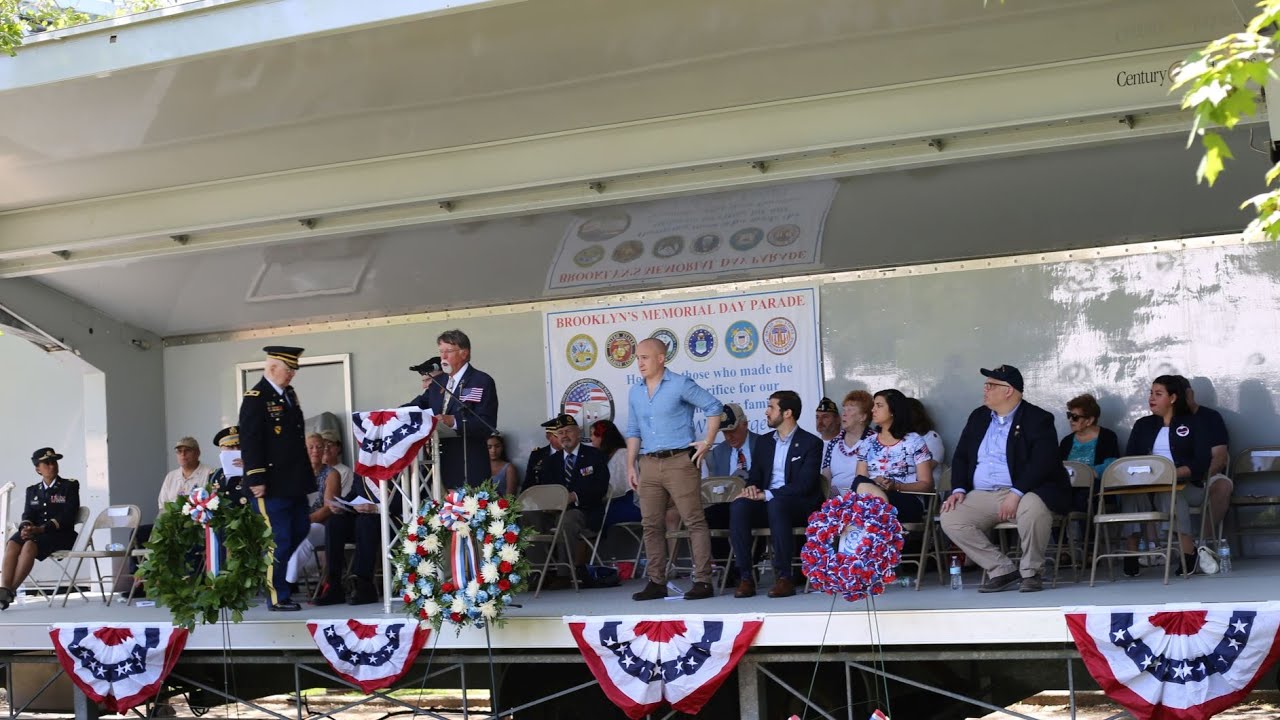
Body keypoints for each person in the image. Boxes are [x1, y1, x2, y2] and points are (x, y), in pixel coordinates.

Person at [940, 365, 1071, 594]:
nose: (985, 390)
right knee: (951, 517)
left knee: (1033, 510)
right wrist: (959, 489)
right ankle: (1002, 569)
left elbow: (1043, 462)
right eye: (985, 385)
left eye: (991, 385)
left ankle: (1031, 572)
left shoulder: (1038, 418)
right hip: (984, 493)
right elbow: (961, 456)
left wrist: (1016, 492)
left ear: (1009, 390)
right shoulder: (978, 416)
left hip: (1027, 490)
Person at [625, 338, 723, 602]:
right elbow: (633, 430)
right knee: (650, 525)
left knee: (693, 521)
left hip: (680, 460)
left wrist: (708, 442)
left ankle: (703, 580)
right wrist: (630, 465)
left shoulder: (680, 384)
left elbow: (715, 407)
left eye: (645, 357)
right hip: (648, 463)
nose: (640, 363)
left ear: (660, 359)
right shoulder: (635, 392)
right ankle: (656, 581)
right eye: (637, 358)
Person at [728, 390, 823, 599]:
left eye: (771, 407)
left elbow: (805, 485)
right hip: (769, 502)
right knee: (739, 506)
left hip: (797, 505)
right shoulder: (764, 442)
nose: (766, 412)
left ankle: (784, 577)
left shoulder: (811, 443)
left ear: (787, 413)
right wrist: (751, 488)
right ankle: (745, 577)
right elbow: (755, 476)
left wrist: (768, 494)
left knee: (777, 504)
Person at [239, 345, 313, 611]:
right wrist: (255, 477)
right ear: (272, 368)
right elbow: (250, 440)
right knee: (279, 539)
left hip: (293, 481)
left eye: (293, 369)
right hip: (269, 484)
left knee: (300, 529)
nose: (292, 374)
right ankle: (277, 596)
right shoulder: (256, 398)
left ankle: (273, 573)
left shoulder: (288, 395)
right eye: (288, 369)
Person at [1120, 375, 1218, 576]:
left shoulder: (1193, 423)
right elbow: (1130, 458)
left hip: (1188, 486)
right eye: (1151, 393)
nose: (1151, 398)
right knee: (1131, 495)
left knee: (1169, 493)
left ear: (1173, 398)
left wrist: (1172, 474)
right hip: (1148, 486)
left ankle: (1188, 552)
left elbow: (1201, 463)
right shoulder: (1142, 425)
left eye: (1158, 394)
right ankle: (1131, 553)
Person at [405, 330, 499, 488]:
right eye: (441, 351)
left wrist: (453, 421)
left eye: (448, 351)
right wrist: (390, 414)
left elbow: (486, 423)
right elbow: (418, 404)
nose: (443, 357)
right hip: (438, 462)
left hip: (469, 462)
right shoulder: (438, 382)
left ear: (464, 353)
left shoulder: (480, 380)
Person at [529, 414, 610, 586]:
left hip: (585, 511)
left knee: (567, 520)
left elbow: (601, 486)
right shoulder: (550, 462)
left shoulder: (594, 456)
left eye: (568, 431)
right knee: (530, 519)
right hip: (553, 510)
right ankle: (539, 573)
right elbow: (545, 487)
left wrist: (575, 496)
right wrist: (550, 503)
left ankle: (564, 575)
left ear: (578, 433)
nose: (564, 435)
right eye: (560, 432)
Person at [0, 448, 81, 610]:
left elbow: (68, 515)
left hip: (61, 534)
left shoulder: (69, 485)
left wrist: (42, 529)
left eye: (54, 462)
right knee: (13, 543)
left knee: (29, 544)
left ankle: (11, 590)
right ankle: (3, 589)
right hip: (36, 532)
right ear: (38, 469)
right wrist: (25, 527)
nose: (52, 466)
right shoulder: (33, 490)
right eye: (47, 463)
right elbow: (28, 513)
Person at [853, 389, 935, 523]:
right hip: (870, 499)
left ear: (893, 411)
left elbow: (927, 485)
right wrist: (876, 483)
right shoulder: (867, 443)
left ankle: (877, 513)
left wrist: (896, 486)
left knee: (863, 504)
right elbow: (860, 481)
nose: (873, 410)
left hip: (906, 500)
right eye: (874, 405)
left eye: (879, 406)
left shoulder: (914, 441)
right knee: (860, 483)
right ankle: (878, 511)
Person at [1176, 376, 1234, 539]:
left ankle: (1203, 543)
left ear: (1189, 394)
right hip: (1170, 481)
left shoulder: (1210, 417)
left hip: (1201, 479)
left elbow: (1220, 457)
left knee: (1223, 485)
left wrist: (1200, 474)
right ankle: (1159, 546)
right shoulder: (1161, 421)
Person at [316, 473, 384, 606]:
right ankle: (334, 585)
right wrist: (341, 505)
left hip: (390, 520)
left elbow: (402, 502)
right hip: (364, 520)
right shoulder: (363, 468)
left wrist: (376, 508)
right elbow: (354, 496)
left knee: (365, 521)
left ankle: (364, 585)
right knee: (334, 523)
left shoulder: (398, 462)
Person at [286, 433, 339, 589]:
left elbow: (328, 508)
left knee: (306, 535)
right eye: (310, 447)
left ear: (324, 451)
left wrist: (301, 522)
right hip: (294, 523)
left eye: (319, 447)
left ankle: (287, 582)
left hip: (322, 526)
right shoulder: (294, 474)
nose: (315, 450)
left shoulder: (331, 474)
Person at [1057, 394, 1119, 512]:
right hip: (1068, 486)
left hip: (1095, 487)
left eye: (1075, 417)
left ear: (1089, 420)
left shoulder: (1107, 437)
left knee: (1082, 498)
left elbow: (1111, 463)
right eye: (1069, 415)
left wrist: (1087, 474)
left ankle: (1087, 531)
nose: (1070, 420)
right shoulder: (1067, 441)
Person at [821, 390, 873, 496]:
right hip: (834, 501)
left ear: (863, 417)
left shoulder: (874, 441)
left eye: (850, 410)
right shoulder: (833, 443)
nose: (844, 414)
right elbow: (826, 477)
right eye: (844, 409)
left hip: (864, 501)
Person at [592, 419, 641, 527]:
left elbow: (619, 488)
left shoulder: (623, 454)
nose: (591, 439)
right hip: (612, 503)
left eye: (593, 435)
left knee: (591, 517)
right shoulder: (603, 457)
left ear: (601, 436)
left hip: (627, 504)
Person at [157, 437, 214, 509]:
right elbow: (162, 505)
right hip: (173, 519)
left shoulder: (210, 474)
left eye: (187, 450)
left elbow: (213, 505)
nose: (183, 454)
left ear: (198, 453)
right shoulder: (171, 476)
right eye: (179, 451)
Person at [907, 397, 946, 485]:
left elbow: (926, 468)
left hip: (924, 492)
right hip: (898, 489)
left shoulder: (931, 437)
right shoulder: (898, 438)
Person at [524, 423, 562, 491]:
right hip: (541, 497)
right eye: (559, 436)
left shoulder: (573, 455)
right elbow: (529, 481)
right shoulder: (537, 455)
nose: (564, 439)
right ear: (549, 437)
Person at [319, 429, 355, 499]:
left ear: (338, 448)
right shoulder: (314, 471)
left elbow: (336, 502)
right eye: (322, 445)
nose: (326, 448)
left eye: (330, 444)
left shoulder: (345, 472)